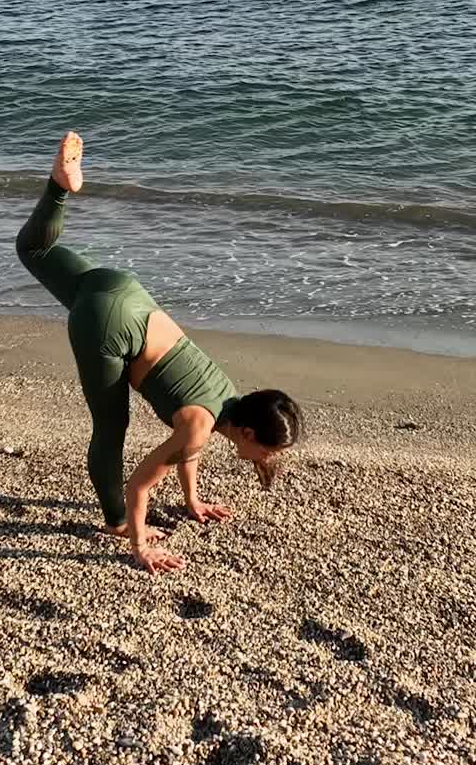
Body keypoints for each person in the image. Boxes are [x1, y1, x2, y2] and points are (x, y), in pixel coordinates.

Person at [16, 132, 303, 576]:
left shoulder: (226, 396)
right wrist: (139, 544)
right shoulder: (200, 428)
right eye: (268, 450)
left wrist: (192, 501)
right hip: (108, 325)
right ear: (246, 432)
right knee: (110, 426)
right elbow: (141, 484)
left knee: (33, 248)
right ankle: (114, 524)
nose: (270, 459)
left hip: (123, 291)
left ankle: (59, 186)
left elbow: (191, 449)